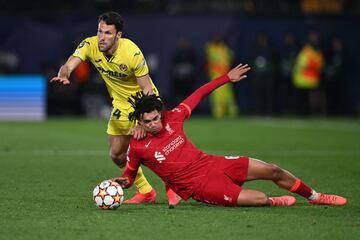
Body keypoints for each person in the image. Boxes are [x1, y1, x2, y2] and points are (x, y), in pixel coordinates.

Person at [113, 63, 347, 207]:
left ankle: (316, 197)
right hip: (201, 187)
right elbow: (130, 176)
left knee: (272, 170)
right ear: (139, 122)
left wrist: (226, 78)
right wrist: (122, 183)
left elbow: (199, 93)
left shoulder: (173, 118)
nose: (154, 123)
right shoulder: (138, 145)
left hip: (213, 163)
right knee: (258, 199)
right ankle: (273, 202)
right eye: (148, 121)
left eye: (156, 118)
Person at [50, 11, 179, 205]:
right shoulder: (90, 44)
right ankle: (146, 192)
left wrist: (146, 119)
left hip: (144, 102)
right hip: (120, 104)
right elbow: (69, 64)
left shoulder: (132, 53)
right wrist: (64, 74)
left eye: (108, 33)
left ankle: (173, 187)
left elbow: (146, 88)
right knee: (117, 154)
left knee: (153, 149)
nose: (102, 37)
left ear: (118, 35)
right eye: (100, 31)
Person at [205, 33, 239, 118]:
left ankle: (232, 112)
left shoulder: (225, 48)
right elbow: (209, 61)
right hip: (215, 75)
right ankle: (218, 113)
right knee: (217, 95)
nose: (218, 39)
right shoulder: (210, 48)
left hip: (226, 74)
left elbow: (230, 59)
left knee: (228, 95)